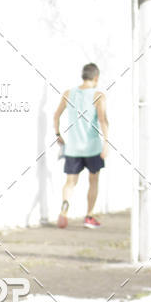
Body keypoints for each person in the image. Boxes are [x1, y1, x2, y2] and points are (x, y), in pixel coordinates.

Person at [53, 62, 109, 229]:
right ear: (96, 77)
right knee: (93, 180)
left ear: (83, 76)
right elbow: (102, 120)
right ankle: (89, 216)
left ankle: (64, 210)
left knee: (70, 181)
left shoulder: (68, 93)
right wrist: (106, 143)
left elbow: (56, 116)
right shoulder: (98, 95)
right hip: (92, 148)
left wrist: (58, 134)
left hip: (73, 148)